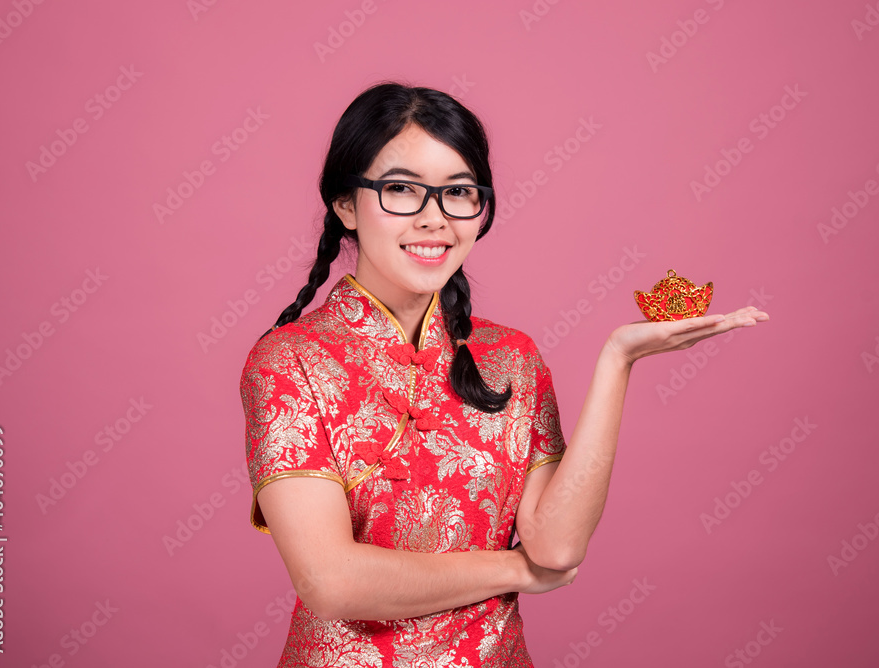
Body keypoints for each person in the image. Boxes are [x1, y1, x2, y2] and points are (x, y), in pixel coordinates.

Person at [238, 81, 769, 667]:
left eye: (459, 193)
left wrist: (619, 361)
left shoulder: (509, 356)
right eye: (400, 190)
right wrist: (512, 569)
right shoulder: (290, 361)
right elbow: (330, 581)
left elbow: (557, 544)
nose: (434, 220)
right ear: (345, 205)